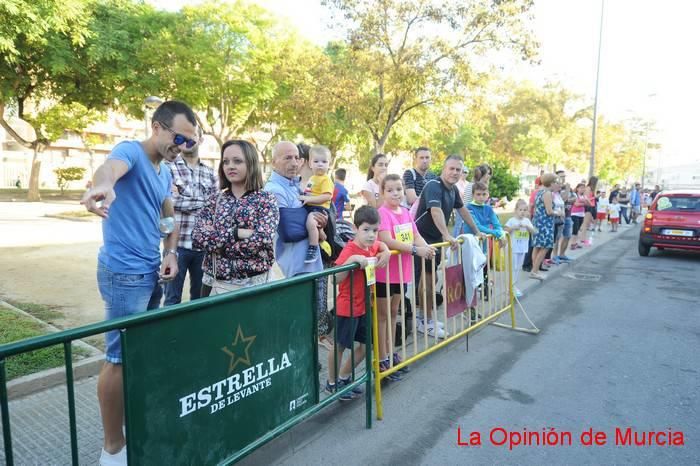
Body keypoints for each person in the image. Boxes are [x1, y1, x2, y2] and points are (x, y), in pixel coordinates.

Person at [80, 100, 197, 465]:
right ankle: (112, 449)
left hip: (150, 272)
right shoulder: (130, 151)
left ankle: (132, 428)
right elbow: (109, 170)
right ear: (158, 127)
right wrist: (102, 188)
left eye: (190, 142)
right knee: (117, 357)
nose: (182, 146)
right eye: (179, 137)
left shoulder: (164, 172)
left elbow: (167, 218)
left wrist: (171, 252)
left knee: (137, 355)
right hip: (123, 274)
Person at [192, 140, 278, 293]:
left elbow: (262, 239)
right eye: (225, 162)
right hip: (214, 284)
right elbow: (198, 237)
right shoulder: (215, 199)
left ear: (251, 163)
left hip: (255, 286)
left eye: (237, 161)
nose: (230, 166)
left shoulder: (265, 199)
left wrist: (217, 246)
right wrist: (236, 233)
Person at [414, 155, 482, 338]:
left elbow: (463, 210)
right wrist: (446, 234)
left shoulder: (453, 190)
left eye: (458, 170)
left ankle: (426, 318)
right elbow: (435, 211)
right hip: (423, 239)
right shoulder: (434, 186)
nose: (454, 172)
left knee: (431, 279)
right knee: (427, 281)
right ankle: (424, 321)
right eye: (451, 168)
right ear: (443, 169)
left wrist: (476, 231)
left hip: (435, 240)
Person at [326, 206, 390, 400]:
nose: (371, 235)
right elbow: (334, 279)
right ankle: (331, 383)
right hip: (348, 307)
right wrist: (352, 260)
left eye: (375, 230)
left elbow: (379, 244)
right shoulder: (350, 250)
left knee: (366, 345)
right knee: (340, 346)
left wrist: (386, 249)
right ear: (356, 228)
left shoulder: (371, 245)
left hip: (364, 306)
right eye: (366, 230)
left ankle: (344, 377)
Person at [376, 175, 436, 379]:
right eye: (390, 190)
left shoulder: (406, 212)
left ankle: (392, 353)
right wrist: (414, 250)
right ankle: (381, 358)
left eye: (399, 189)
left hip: (402, 272)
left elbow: (415, 234)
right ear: (383, 193)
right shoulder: (382, 213)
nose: (395, 193)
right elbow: (387, 240)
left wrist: (425, 246)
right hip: (384, 274)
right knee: (382, 316)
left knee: (394, 313)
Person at [163, 126, 218, 305]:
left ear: (201, 139)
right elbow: (167, 202)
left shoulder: (211, 173)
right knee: (172, 299)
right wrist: (202, 201)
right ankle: (171, 334)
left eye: (192, 135)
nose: (187, 140)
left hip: (203, 247)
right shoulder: (167, 169)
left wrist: (182, 196)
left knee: (200, 299)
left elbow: (215, 206)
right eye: (182, 136)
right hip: (175, 246)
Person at [301, 145, 334, 264]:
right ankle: (321, 234)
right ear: (310, 163)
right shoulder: (313, 178)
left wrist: (308, 199)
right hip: (311, 206)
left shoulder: (325, 179)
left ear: (329, 164)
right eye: (316, 161)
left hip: (320, 208)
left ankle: (313, 248)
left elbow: (327, 196)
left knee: (311, 221)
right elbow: (308, 192)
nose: (320, 164)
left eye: (324, 162)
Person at [504, 200, 537, 297]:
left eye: (525, 210)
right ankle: (511, 287)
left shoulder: (526, 221)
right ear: (516, 210)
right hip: (513, 248)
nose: (522, 212)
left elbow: (534, 231)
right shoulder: (512, 220)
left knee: (518, 268)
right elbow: (505, 230)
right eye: (520, 210)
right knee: (513, 268)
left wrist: (527, 227)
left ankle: (513, 286)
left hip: (523, 248)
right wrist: (513, 228)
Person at [529, 173, 558, 281]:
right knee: (544, 247)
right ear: (551, 183)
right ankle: (535, 271)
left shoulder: (539, 192)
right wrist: (558, 212)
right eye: (555, 182)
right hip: (545, 223)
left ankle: (534, 269)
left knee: (536, 247)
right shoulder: (547, 193)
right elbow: (549, 211)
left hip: (538, 221)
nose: (556, 184)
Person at [454, 163, 491, 236]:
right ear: (482, 175)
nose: (489, 176)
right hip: (468, 222)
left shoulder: (479, 187)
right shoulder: (472, 186)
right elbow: (466, 206)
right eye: (488, 174)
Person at [570, 183, 587, 249]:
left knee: (578, 229)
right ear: (577, 189)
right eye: (581, 188)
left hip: (581, 214)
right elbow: (576, 204)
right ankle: (572, 243)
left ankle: (575, 242)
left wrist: (584, 202)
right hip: (575, 214)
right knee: (575, 229)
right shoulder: (575, 195)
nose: (582, 189)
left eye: (583, 188)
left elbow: (589, 203)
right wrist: (583, 203)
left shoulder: (584, 196)